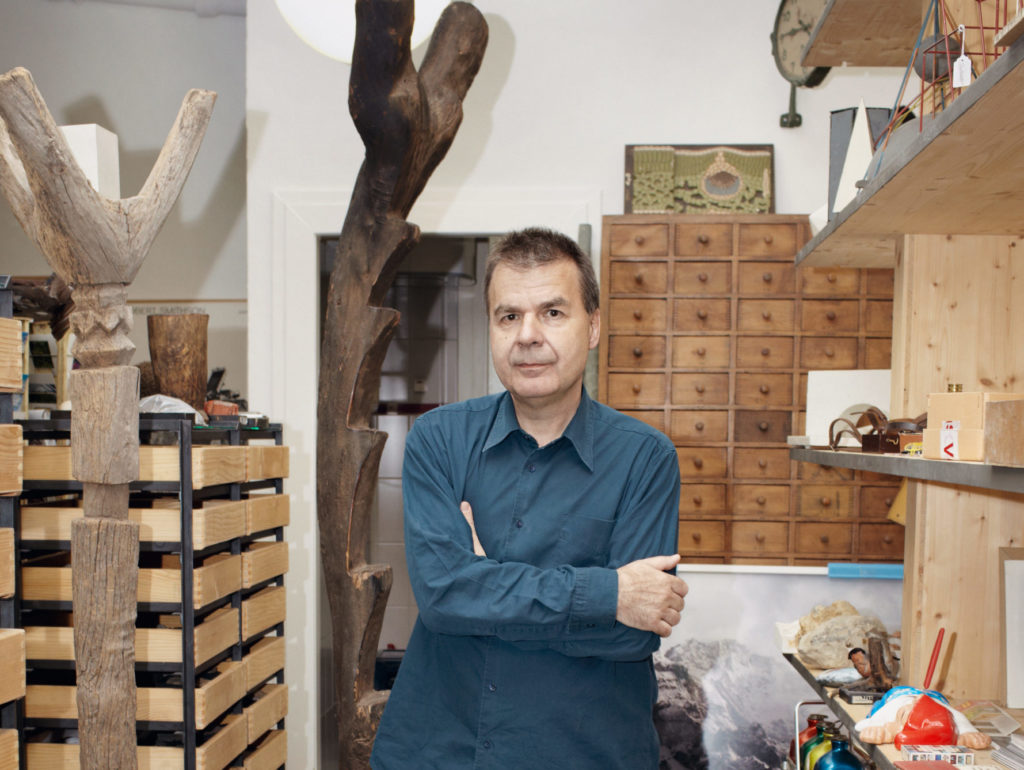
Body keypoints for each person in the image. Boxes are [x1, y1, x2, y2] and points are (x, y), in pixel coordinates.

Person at [370, 227, 688, 769]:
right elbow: (443, 598)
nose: (528, 335)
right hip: (441, 751)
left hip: (584, 753)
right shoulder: (438, 440)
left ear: (593, 327)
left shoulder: (645, 459)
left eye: (553, 313)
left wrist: (484, 580)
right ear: (491, 328)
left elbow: (630, 640)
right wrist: (606, 594)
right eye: (508, 316)